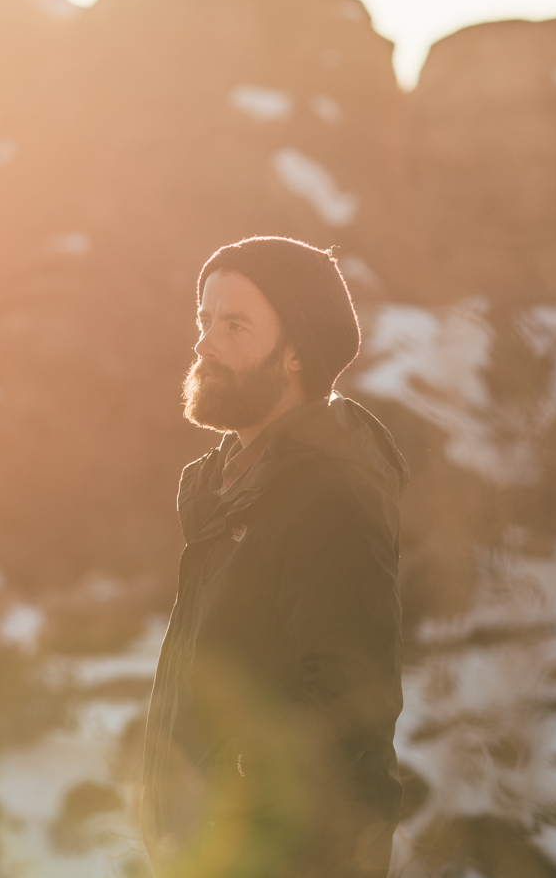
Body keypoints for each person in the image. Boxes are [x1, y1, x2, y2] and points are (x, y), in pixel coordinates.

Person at [140, 236, 408, 878]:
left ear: (295, 354)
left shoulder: (330, 497)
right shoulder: (228, 490)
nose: (205, 344)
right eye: (205, 321)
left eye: (235, 326)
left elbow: (350, 716)